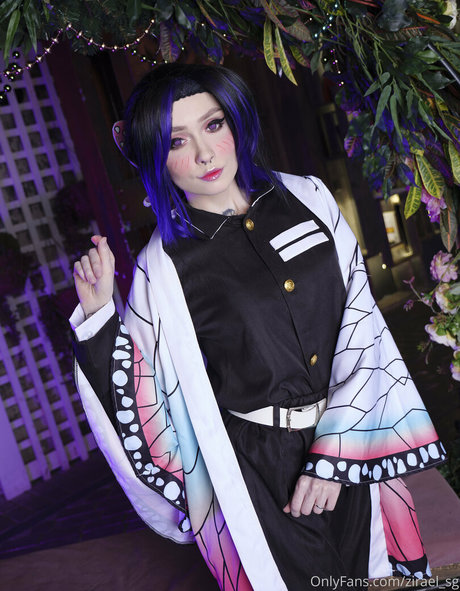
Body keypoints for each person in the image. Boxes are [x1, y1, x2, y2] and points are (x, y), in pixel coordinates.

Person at [70, 63, 445, 591]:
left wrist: (333, 457)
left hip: (354, 436)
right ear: (155, 157)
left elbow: (362, 330)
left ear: (235, 121)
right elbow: (143, 398)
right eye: (177, 141)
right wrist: (98, 318)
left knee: (378, 574)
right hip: (255, 475)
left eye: (213, 125)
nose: (205, 154)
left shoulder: (310, 199)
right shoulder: (164, 266)